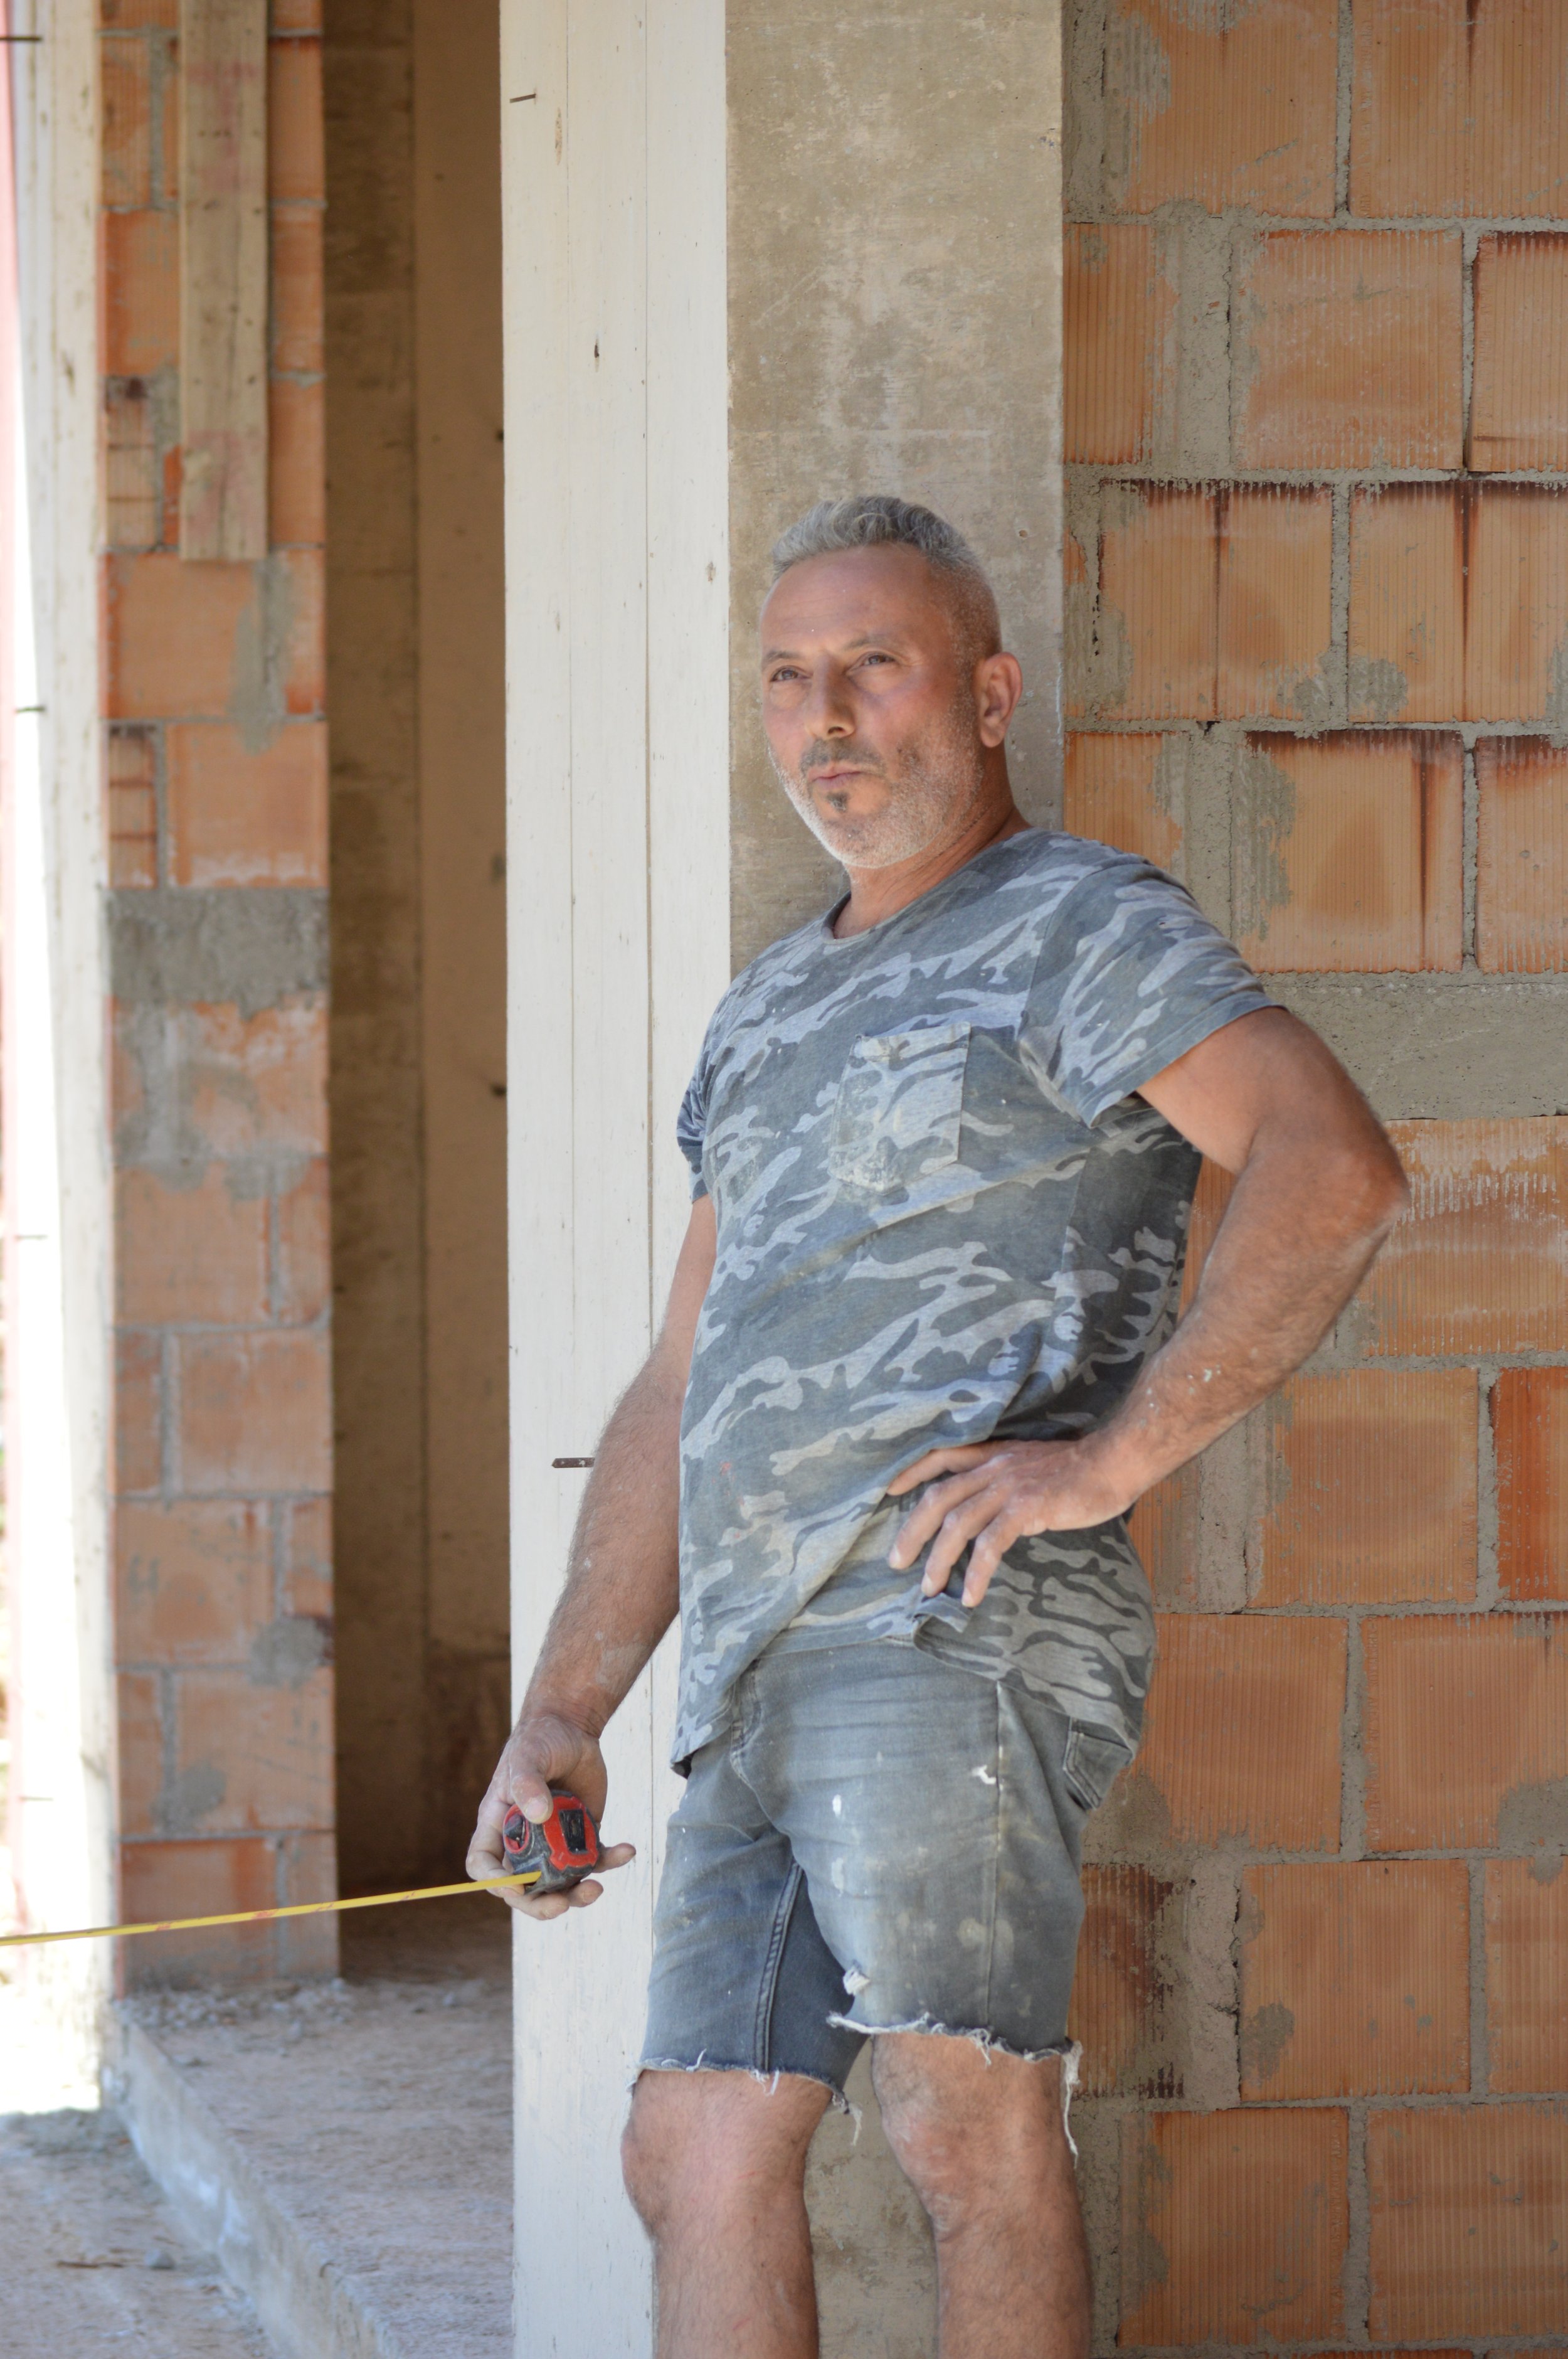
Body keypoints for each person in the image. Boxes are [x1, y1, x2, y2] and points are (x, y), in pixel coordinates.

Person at [467, 496, 1408, 2358]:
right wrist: (562, 1711)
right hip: (755, 1661)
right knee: (693, 2144)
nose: (824, 716)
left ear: (985, 696)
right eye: (786, 678)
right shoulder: (767, 1004)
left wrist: (1106, 1464)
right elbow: (682, 1376)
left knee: (959, 2125)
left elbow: (1334, 1166)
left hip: (949, 1629)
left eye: (872, 667)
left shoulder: (1077, 925)